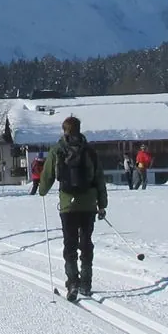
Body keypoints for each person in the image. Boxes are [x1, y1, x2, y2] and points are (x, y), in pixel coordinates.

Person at [38, 116, 108, 301]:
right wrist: (102, 204)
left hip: (68, 204)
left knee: (70, 243)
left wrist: (42, 190)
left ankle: (73, 282)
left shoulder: (57, 150)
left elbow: (47, 176)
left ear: (64, 130)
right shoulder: (90, 151)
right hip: (88, 204)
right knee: (86, 242)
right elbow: (99, 178)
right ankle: (86, 282)